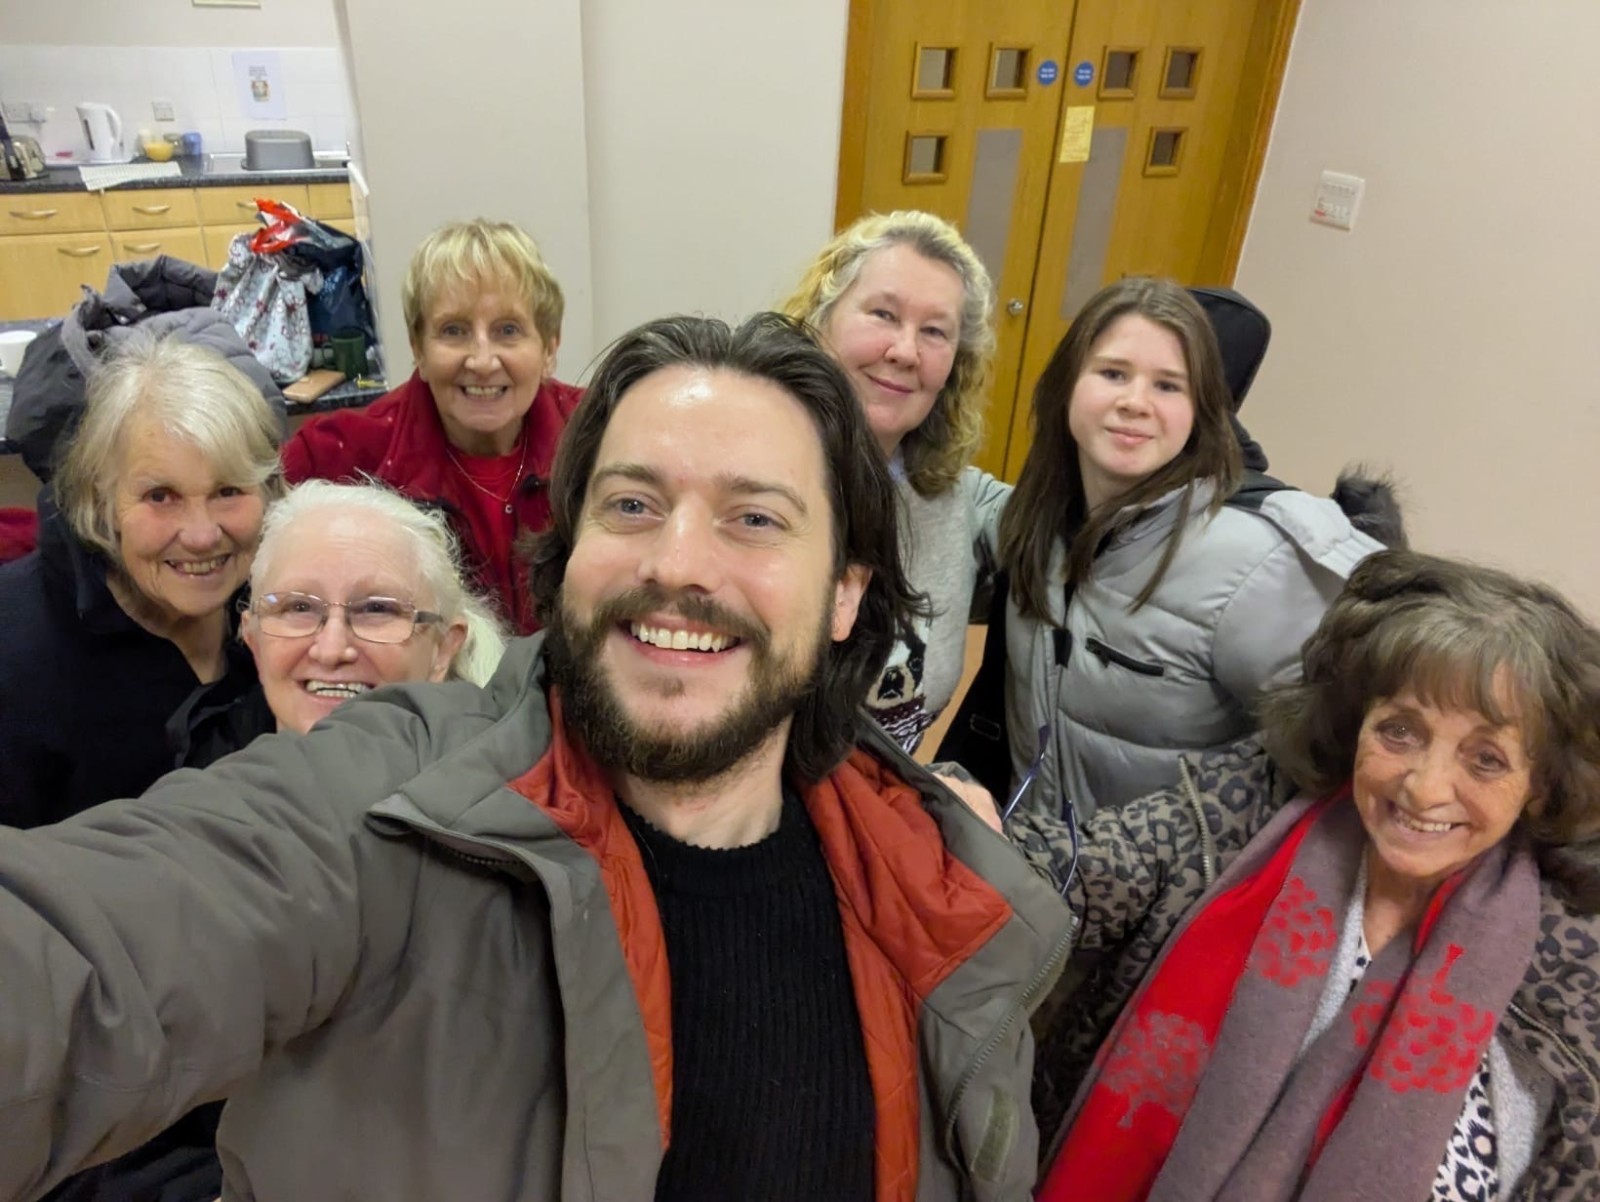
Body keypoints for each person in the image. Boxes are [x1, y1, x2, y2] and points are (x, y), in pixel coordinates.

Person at [0, 313, 1074, 1202]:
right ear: (566, 556)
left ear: (845, 591)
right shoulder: (393, 798)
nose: (675, 563)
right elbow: (90, 957)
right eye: (632, 504)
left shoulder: (934, 891)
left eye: (753, 516)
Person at [999, 550, 1600, 1202]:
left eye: (1485, 759)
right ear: (1357, 725)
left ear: (1540, 784)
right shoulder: (1244, 814)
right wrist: (956, 827)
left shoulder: (1574, 966)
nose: (1426, 789)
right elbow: (1063, 877)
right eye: (1400, 731)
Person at [995, 276, 1380, 819]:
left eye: (1168, 386)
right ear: (1067, 387)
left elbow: (1342, 763)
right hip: (1038, 870)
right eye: (1112, 373)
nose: (1135, 402)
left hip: (1171, 893)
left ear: (1203, 410)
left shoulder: (1255, 563)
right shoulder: (1037, 522)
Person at [0, 333, 283, 829]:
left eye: (228, 490)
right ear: (101, 501)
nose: (201, 535)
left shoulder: (292, 610)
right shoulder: (18, 653)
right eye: (160, 496)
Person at [282, 218, 582, 634]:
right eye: (453, 331)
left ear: (549, 348)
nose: (481, 360)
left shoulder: (597, 432)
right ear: (417, 348)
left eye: (508, 330)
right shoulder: (337, 455)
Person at [781, 210, 1009, 753]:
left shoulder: (955, 495)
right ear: (820, 318)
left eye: (934, 331)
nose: (905, 351)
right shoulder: (743, 474)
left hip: (882, 811)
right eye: (883, 314)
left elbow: (1083, 523)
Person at [173, 479, 509, 766]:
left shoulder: (500, 806)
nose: (331, 650)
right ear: (254, 640)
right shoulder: (192, 792)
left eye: (376, 609)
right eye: (299, 606)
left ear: (443, 648)